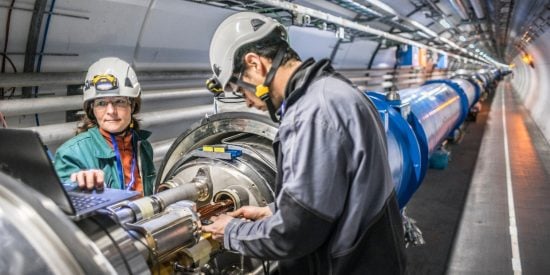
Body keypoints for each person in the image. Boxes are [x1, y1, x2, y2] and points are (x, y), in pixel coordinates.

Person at [203, 12, 406, 274]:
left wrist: (232, 232)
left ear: (255, 64)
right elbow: (333, 193)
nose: (248, 102)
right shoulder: (334, 90)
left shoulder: (311, 112)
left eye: (241, 90)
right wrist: (272, 211)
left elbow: (295, 232)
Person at [54, 57, 156, 196]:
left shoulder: (142, 146)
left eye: (119, 101)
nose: (111, 111)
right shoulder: (71, 154)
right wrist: (79, 186)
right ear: (92, 109)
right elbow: (63, 198)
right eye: (101, 103)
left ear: (132, 105)